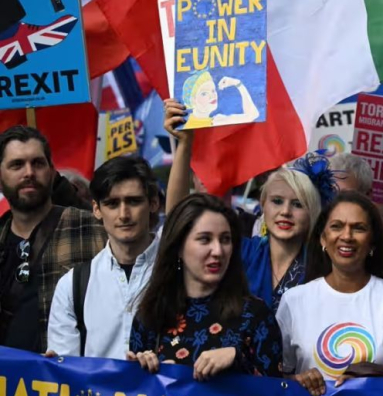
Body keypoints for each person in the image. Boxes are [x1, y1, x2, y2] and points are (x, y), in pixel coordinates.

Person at [162, 104, 332, 309]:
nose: (285, 211)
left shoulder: (326, 263)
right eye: (277, 201)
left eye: (297, 204)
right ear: (263, 206)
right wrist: (185, 145)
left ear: (312, 210)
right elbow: (177, 221)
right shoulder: (241, 252)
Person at [278, 191, 383, 396]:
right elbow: (275, 380)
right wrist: (298, 381)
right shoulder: (293, 301)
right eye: (336, 226)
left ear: (373, 242)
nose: (347, 236)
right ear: (323, 238)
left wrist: (371, 378)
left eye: (358, 228)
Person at [127, 193, 282, 379]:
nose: (218, 251)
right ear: (178, 247)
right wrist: (142, 373)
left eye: (225, 239)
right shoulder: (150, 317)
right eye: (205, 239)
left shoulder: (256, 316)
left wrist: (238, 360)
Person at [0, 126, 106, 352]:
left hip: (66, 381)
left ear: (52, 171)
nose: (29, 172)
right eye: (17, 164)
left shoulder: (93, 229)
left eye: (38, 163)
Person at [47, 157, 160, 358]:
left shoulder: (179, 269)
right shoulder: (72, 285)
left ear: (153, 203)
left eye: (133, 201)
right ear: (97, 210)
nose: (124, 214)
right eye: (112, 204)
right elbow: (67, 374)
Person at [180, 71, 259, 129]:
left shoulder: (216, 120)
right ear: (193, 100)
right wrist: (238, 84)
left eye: (213, 90)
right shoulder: (217, 122)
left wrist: (237, 83)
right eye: (204, 93)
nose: (212, 96)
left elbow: (253, 115)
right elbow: (252, 115)